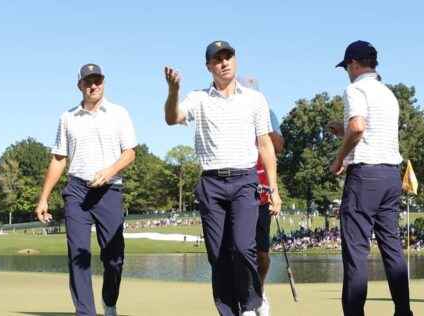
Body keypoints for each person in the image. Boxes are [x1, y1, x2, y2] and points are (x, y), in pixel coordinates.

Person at [163, 41, 281, 316]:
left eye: (228, 57)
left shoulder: (255, 99)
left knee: (243, 247)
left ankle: (250, 305)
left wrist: (273, 189)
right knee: (218, 255)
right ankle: (228, 311)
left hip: (245, 180)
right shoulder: (198, 97)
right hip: (212, 183)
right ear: (209, 67)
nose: (224, 62)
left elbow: (265, 144)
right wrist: (173, 91)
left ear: (235, 60)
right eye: (218, 59)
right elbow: (172, 118)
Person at [35, 63, 136, 316]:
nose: (93, 85)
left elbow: (130, 153)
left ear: (104, 82)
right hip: (77, 191)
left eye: (97, 80)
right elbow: (59, 159)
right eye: (88, 81)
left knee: (114, 258)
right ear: (79, 85)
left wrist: (109, 172)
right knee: (78, 255)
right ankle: (86, 312)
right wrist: (43, 198)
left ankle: (109, 301)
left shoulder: (119, 113)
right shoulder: (67, 117)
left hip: (110, 191)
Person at [328, 40, 413, 316]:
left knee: (355, 252)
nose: (347, 73)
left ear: (353, 64)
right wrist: (343, 131)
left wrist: (340, 158)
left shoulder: (355, 89)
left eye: (347, 68)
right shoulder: (388, 94)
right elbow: (368, 131)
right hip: (390, 175)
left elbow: (359, 127)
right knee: (392, 247)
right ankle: (403, 312)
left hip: (365, 176)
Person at [238, 76, 284, 316]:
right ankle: (246, 298)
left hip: (263, 192)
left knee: (262, 254)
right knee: (240, 250)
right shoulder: (231, 113)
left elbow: (279, 145)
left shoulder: (268, 113)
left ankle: (259, 291)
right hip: (237, 188)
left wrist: (264, 128)